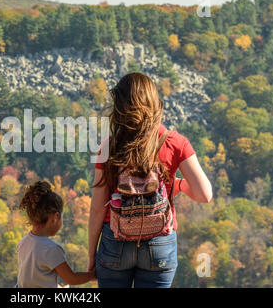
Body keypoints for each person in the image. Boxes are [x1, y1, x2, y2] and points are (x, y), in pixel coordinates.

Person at [88, 72, 213, 288]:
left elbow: (98, 208)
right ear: (156, 104)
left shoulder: (108, 147)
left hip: (115, 242)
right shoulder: (175, 142)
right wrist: (179, 184)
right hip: (159, 244)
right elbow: (205, 195)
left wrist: (92, 255)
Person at [17, 181, 96, 288]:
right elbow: (71, 279)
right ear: (55, 217)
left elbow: (34, 277)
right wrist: (93, 275)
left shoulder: (23, 242)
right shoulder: (51, 249)